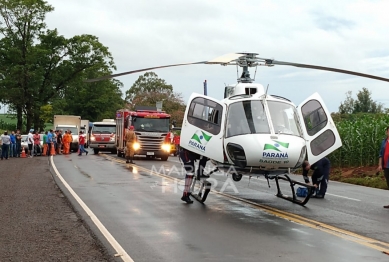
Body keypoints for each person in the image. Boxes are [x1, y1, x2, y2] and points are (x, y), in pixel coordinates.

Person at [377, 126, 389, 208]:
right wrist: (380, 165)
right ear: (387, 132)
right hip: (386, 166)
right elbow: (381, 154)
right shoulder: (384, 142)